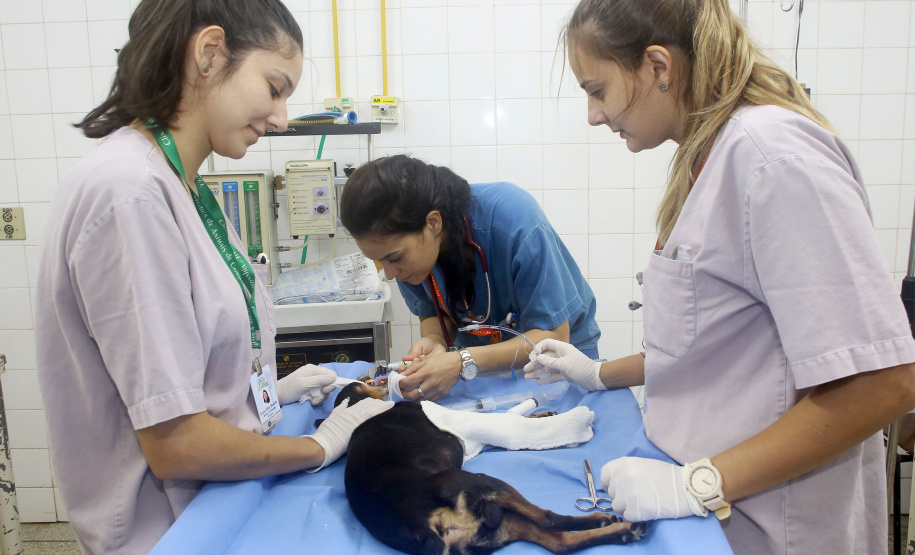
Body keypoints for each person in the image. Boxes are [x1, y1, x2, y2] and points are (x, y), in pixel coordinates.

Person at [523, 0, 915, 553]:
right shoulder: (708, 157)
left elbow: (882, 383)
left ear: (658, 67)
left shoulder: (772, 158)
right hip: (713, 514)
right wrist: (597, 373)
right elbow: (717, 346)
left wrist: (697, 484)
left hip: (773, 523)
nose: (593, 114)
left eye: (597, 89)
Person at [34, 1, 391, 553]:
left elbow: (189, 370)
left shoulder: (188, 188)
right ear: (209, 53)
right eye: (275, 88)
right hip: (169, 530)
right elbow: (177, 443)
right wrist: (320, 446)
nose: (280, 119)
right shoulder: (130, 194)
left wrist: (267, 396)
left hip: (219, 505)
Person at [340, 155, 600, 402]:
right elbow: (432, 314)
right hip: (482, 361)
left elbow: (553, 335)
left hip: (559, 362)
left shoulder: (514, 219)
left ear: (433, 223)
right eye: (379, 261)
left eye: (394, 258)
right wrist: (435, 341)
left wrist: (462, 361)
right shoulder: (407, 260)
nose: (390, 274)